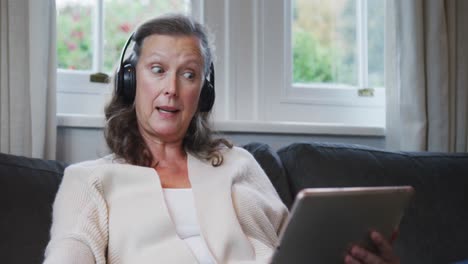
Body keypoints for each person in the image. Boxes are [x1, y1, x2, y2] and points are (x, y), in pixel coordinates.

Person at [43, 14, 400, 264]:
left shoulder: (239, 164)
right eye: (157, 70)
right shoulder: (89, 180)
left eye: (188, 74)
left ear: (204, 92)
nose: (171, 89)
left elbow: (301, 249)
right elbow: (69, 252)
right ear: (129, 82)